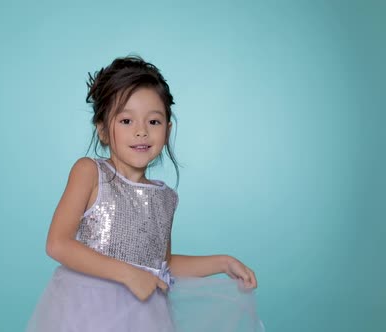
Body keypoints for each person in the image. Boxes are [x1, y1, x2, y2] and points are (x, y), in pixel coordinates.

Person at [27, 55, 264, 332]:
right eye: (126, 121)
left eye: (153, 122)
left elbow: (162, 265)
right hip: (88, 313)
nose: (141, 132)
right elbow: (58, 243)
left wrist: (223, 263)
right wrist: (128, 274)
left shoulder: (165, 198)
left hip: (145, 317)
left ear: (168, 129)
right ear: (103, 130)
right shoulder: (90, 173)